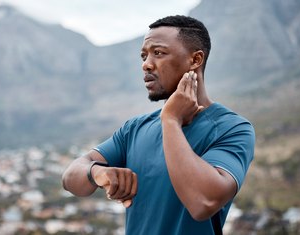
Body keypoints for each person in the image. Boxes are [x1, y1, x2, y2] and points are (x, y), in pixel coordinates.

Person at [62, 15, 255, 235]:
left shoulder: (232, 129)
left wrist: (171, 120)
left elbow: (204, 202)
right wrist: (96, 173)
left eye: (159, 53)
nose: (146, 64)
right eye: (143, 56)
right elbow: (70, 178)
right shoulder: (134, 129)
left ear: (195, 60)